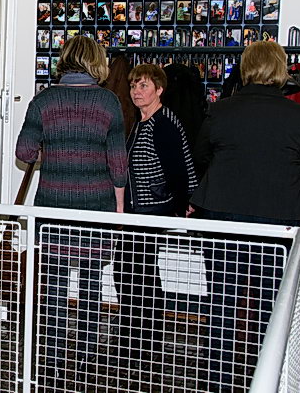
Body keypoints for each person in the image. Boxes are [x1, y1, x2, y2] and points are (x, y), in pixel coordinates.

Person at [189, 41, 300, 390]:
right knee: (273, 306)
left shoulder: (221, 111)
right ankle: (267, 377)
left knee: (221, 304)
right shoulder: (298, 116)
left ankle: (218, 381)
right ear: (280, 70)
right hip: (279, 221)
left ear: (246, 68)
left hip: (223, 214)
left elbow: (200, 155)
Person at [15, 34, 127, 387]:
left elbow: (24, 152)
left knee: (54, 286)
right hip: (96, 207)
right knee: (91, 286)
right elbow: (118, 164)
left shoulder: (44, 100)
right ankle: (86, 358)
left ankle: (51, 359)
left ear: (65, 59)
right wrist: (119, 209)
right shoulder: (108, 102)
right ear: (96, 61)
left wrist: (53, 148)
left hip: (53, 206)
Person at [115, 64, 197, 374]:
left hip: (152, 210)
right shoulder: (143, 122)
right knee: (134, 274)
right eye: (134, 85)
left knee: (137, 276)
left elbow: (178, 170)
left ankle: (140, 345)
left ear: (159, 90)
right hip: (141, 210)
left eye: (144, 86)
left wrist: (180, 205)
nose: (136, 91)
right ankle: (135, 342)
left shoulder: (162, 123)